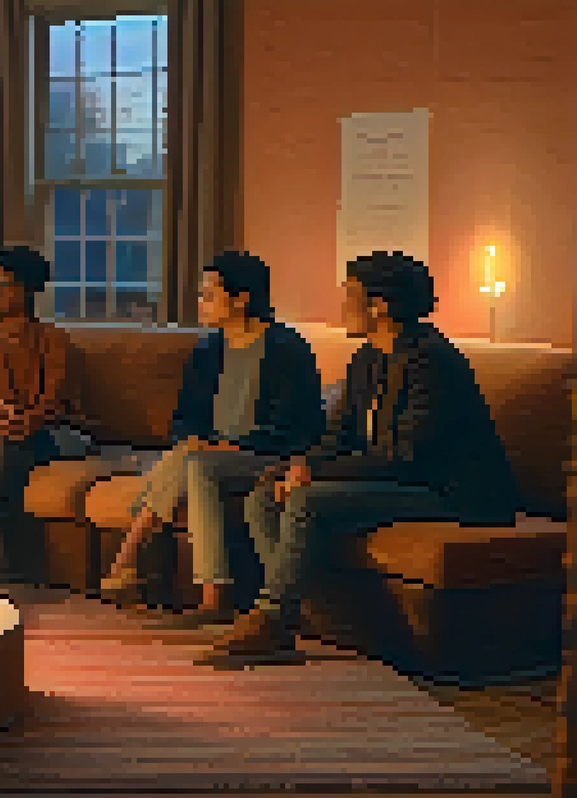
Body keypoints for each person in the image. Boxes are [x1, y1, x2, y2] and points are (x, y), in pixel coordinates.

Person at [201, 251, 520, 667]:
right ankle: (302, 617)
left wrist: (313, 476)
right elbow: (338, 437)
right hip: (402, 480)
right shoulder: (367, 358)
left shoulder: (431, 361)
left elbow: (405, 456)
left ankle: (272, 618)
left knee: (307, 501)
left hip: (449, 492)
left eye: (349, 294)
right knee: (263, 495)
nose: (342, 304)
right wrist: (291, 468)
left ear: (380, 305)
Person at [100, 251, 325, 625]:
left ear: (242, 298)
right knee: (190, 455)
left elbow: (295, 427)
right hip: (215, 454)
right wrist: (191, 438)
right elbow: (185, 418)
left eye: (208, 294)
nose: (200, 303)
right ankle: (140, 569)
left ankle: (196, 589)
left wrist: (229, 447)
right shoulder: (208, 349)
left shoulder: (286, 348)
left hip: (268, 455)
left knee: (198, 463)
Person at [0, 246, 97, 585]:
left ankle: (4, 554)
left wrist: (23, 419)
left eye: (3, 286)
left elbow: (54, 399)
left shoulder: (53, 340)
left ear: (27, 290)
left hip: (59, 432)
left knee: (16, 441)